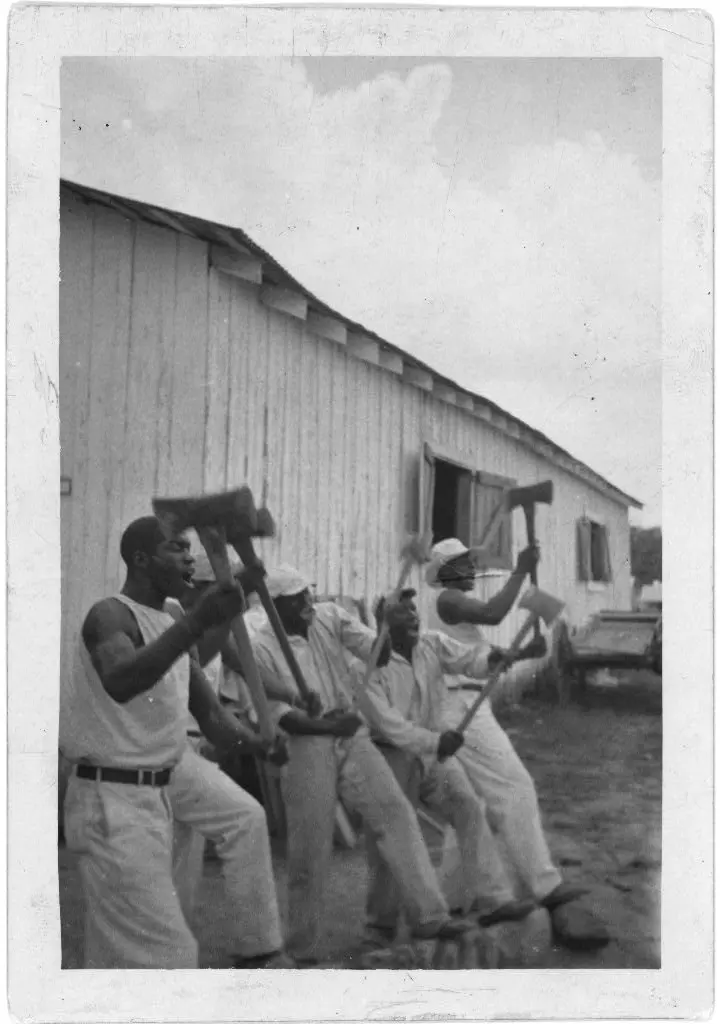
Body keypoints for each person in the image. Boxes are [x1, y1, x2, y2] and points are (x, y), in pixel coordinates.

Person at [60, 516, 291, 969]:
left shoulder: (171, 617)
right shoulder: (110, 614)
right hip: (112, 795)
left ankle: (259, 952)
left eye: (190, 548)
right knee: (168, 957)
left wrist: (260, 744)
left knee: (244, 816)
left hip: (161, 775)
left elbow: (211, 717)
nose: (188, 556)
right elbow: (123, 680)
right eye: (175, 548)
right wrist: (200, 621)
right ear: (141, 560)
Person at [251, 565, 473, 964]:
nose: (307, 605)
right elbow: (283, 716)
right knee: (310, 850)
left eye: (308, 594)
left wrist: (385, 625)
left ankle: (430, 916)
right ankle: (302, 950)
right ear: (274, 607)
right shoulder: (260, 647)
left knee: (395, 813)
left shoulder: (329, 616)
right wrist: (327, 724)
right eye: (296, 600)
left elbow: (380, 654)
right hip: (304, 746)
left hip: (350, 734)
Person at [357, 589, 537, 935]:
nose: (413, 616)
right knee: (392, 838)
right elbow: (391, 727)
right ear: (382, 621)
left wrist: (492, 659)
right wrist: (436, 741)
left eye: (413, 610)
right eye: (401, 612)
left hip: (432, 753)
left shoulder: (431, 644)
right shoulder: (364, 665)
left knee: (468, 806)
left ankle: (494, 899)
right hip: (388, 754)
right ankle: (381, 925)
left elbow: (469, 660)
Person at [424, 537, 585, 914]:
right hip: (460, 705)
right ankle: (544, 885)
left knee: (470, 803)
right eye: (462, 565)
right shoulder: (447, 599)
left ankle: (453, 898)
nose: (470, 571)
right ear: (446, 572)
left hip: (463, 698)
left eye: (470, 563)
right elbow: (495, 613)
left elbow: (484, 655)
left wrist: (526, 652)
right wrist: (521, 570)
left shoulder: (453, 607)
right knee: (515, 787)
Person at [165, 552, 269, 932]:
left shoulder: (212, 625)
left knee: (185, 857)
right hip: (176, 742)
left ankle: (180, 939)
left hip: (198, 745)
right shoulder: (171, 612)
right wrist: (228, 607)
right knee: (173, 853)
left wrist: (288, 693)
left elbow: (241, 663)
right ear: (202, 590)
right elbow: (197, 655)